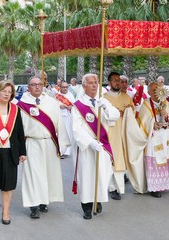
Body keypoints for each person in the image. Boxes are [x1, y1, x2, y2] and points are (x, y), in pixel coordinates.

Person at [17, 76, 71, 219]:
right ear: (28, 87)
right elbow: (18, 129)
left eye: (40, 84)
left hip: (49, 143)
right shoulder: (22, 104)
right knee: (33, 175)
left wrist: (63, 144)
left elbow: (60, 123)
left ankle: (44, 201)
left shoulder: (52, 102)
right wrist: (19, 149)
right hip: (31, 143)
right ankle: (33, 204)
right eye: (33, 85)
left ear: (43, 85)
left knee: (47, 173)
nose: (37, 87)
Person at [71, 73, 120, 220]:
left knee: (102, 174)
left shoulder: (102, 101)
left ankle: (97, 200)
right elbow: (76, 129)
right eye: (90, 83)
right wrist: (91, 142)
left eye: (95, 82)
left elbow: (115, 116)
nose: (94, 85)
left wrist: (105, 107)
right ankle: (86, 206)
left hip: (102, 145)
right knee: (87, 176)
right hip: (87, 146)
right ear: (84, 86)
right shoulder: (78, 106)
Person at [0, 80, 26, 225]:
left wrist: (23, 152)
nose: (7, 94)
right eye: (4, 91)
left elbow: (20, 133)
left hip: (10, 152)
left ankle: (6, 212)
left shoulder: (15, 110)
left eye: (10, 92)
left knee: (8, 184)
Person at [137, 82, 169, 198]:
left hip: (164, 136)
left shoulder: (165, 103)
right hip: (153, 137)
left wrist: (166, 116)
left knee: (165, 159)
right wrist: (152, 125)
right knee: (155, 160)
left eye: (158, 89)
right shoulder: (146, 104)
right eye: (153, 90)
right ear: (149, 92)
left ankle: (164, 184)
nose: (156, 92)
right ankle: (154, 188)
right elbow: (142, 122)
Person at [104, 72, 134, 200]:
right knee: (112, 160)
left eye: (119, 80)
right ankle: (112, 188)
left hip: (124, 133)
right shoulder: (103, 98)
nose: (118, 82)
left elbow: (133, 114)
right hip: (110, 133)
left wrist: (128, 111)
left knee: (121, 160)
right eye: (114, 80)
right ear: (109, 83)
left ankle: (119, 186)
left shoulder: (126, 97)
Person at [55, 81, 75, 157]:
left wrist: (71, 107)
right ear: (60, 87)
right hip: (60, 117)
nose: (65, 88)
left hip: (68, 117)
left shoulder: (71, 95)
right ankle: (60, 150)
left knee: (68, 133)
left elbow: (75, 105)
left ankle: (67, 151)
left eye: (66, 87)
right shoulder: (57, 96)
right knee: (60, 133)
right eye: (63, 87)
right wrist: (59, 106)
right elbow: (53, 105)